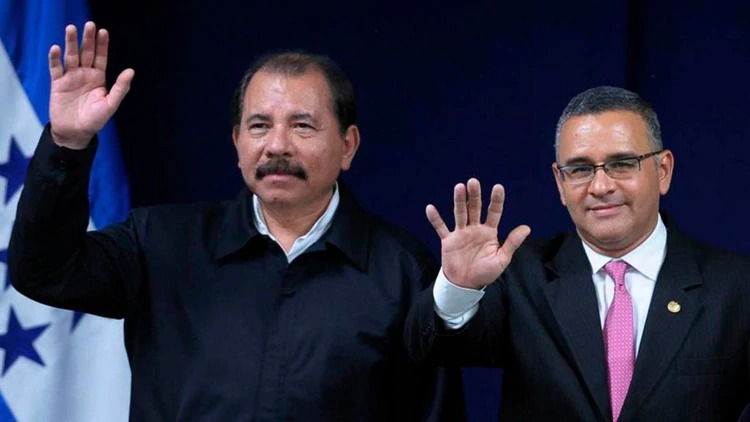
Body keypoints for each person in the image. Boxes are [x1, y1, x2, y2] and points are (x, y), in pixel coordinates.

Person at [8, 21, 465, 421]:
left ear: (348, 146)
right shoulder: (161, 243)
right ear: (237, 142)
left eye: (302, 126)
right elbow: (44, 272)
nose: (277, 145)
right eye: (259, 126)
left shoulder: (403, 270)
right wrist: (67, 145)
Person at [404, 86, 750, 421]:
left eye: (622, 163)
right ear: (560, 183)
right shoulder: (518, 275)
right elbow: (433, 349)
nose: (601, 187)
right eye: (581, 169)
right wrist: (459, 287)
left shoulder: (737, 288)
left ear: (663, 171)